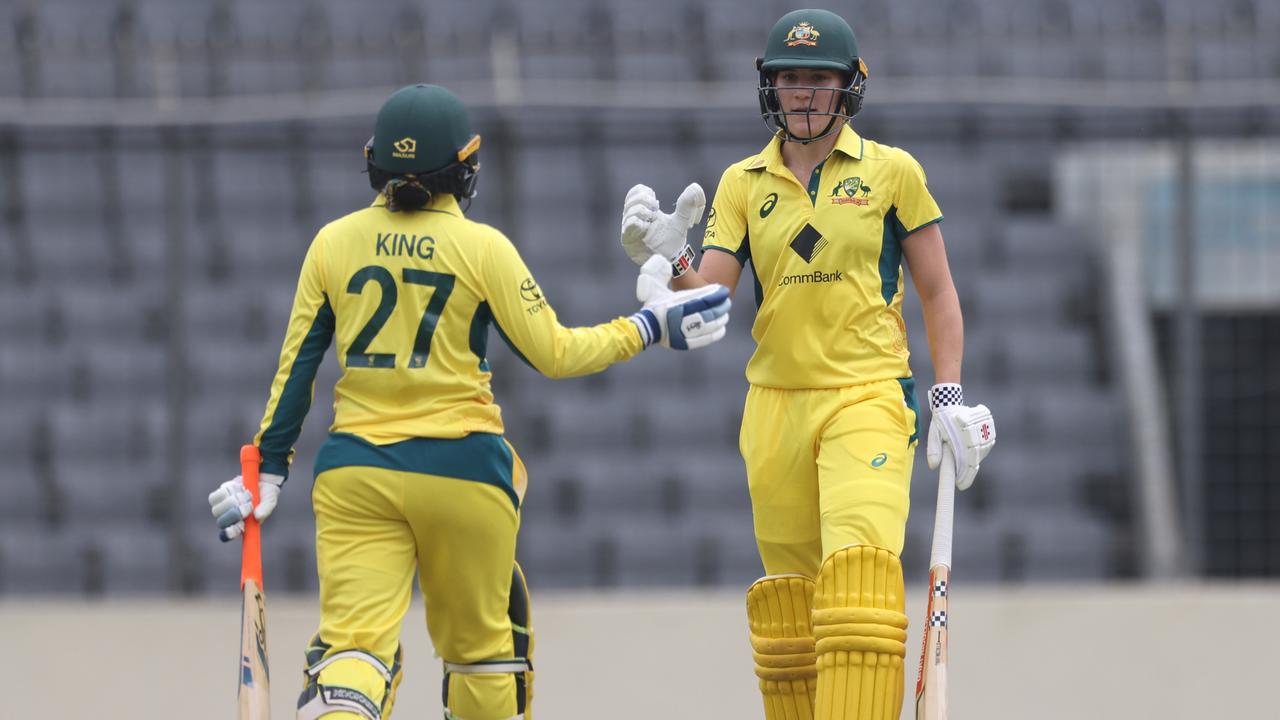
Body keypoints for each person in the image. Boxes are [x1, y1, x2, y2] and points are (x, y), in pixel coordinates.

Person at [207, 83, 731, 720]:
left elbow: (297, 372)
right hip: (464, 472)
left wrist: (268, 468)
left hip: (357, 473)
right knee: (485, 654)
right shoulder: (484, 248)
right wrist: (648, 325)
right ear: (464, 169)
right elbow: (557, 353)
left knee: (353, 655)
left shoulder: (332, 243)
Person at [618, 9, 995, 720]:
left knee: (856, 588)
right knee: (795, 617)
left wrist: (947, 395)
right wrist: (670, 260)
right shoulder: (741, 183)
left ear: (848, 88)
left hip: (868, 397)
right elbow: (710, 300)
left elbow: (940, 291)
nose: (802, 93)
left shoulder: (892, 173)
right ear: (771, 87)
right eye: (790, 78)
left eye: (818, 79)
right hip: (775, 408)